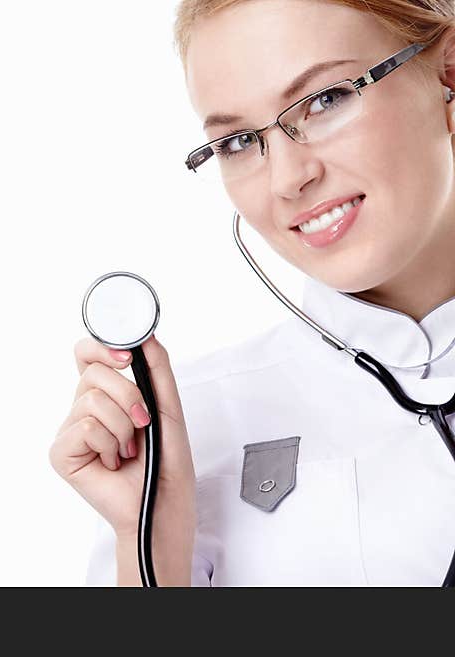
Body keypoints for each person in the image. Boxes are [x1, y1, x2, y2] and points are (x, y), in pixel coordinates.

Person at [48, 0, 455, 586]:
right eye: (238, 141)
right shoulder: (189, 430)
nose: (289, 178)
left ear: (448, 76)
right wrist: (152, 543)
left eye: (326, 100)